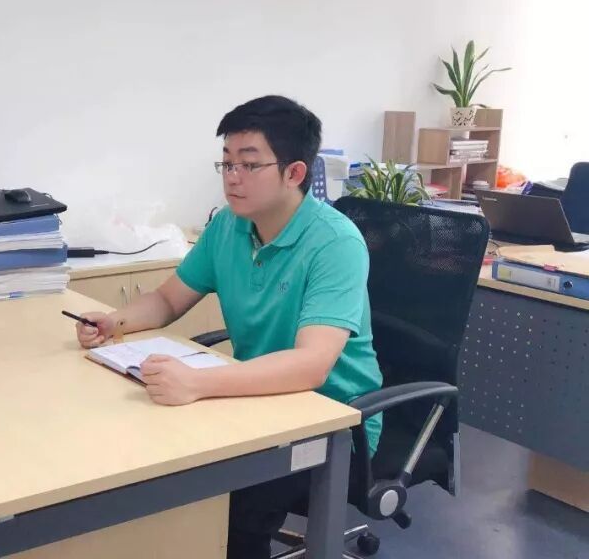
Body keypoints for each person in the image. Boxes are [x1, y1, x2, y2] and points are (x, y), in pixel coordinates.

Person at [74, 95, 382, 558]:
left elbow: (312, 365)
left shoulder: (335, 243)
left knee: (228, 505)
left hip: (333, 422)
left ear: (295, 173)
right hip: (251, 401)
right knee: (153, 464)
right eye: (226, 163)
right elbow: (167, 300)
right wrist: (114, 321)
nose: (232, 177)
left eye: (249, 164)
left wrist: (197, 383)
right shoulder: (228, 227)